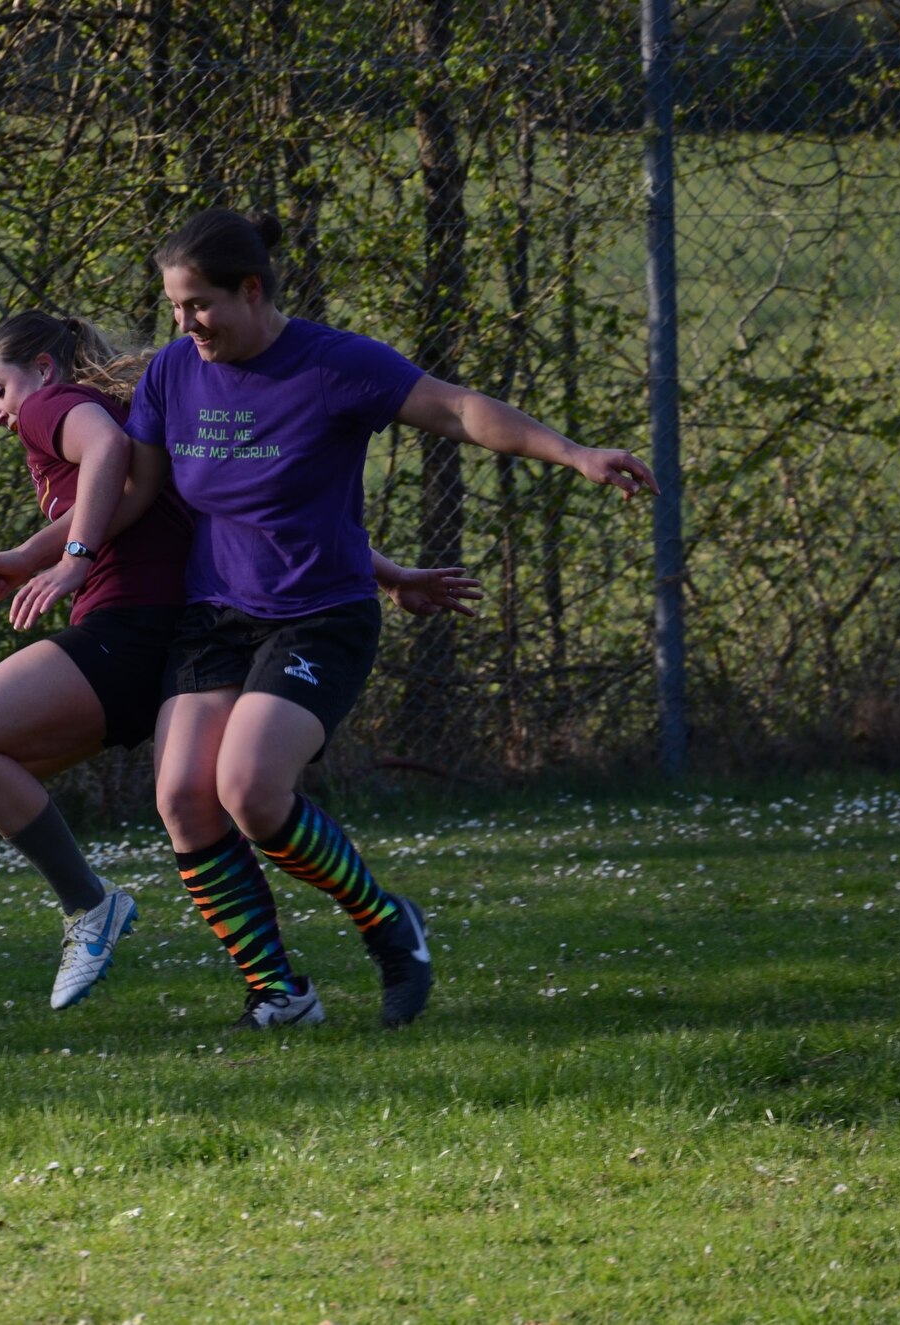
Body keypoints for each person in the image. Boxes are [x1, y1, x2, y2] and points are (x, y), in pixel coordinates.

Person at [0, 310, 480, 1033]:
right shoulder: (159, 419)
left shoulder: (53, 408)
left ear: (44, 369)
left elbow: (102, 450)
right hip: (179, 628)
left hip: (134, 628)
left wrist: (70, 562)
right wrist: (391, 571)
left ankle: (89, 902)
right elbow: (235, 507)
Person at [126, 207, 656, 1030]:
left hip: (318, 618)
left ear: (252, 289)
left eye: (198, 304)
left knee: (251, 791)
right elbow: (134, 494)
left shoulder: (336, 364)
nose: (185, 323)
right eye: (173, 307)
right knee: (184, 800)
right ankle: (280, 994)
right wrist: (56, 554)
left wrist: (577, 454)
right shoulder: (171, 374)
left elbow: (458, 410)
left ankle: (388, 924)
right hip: (214, 618)